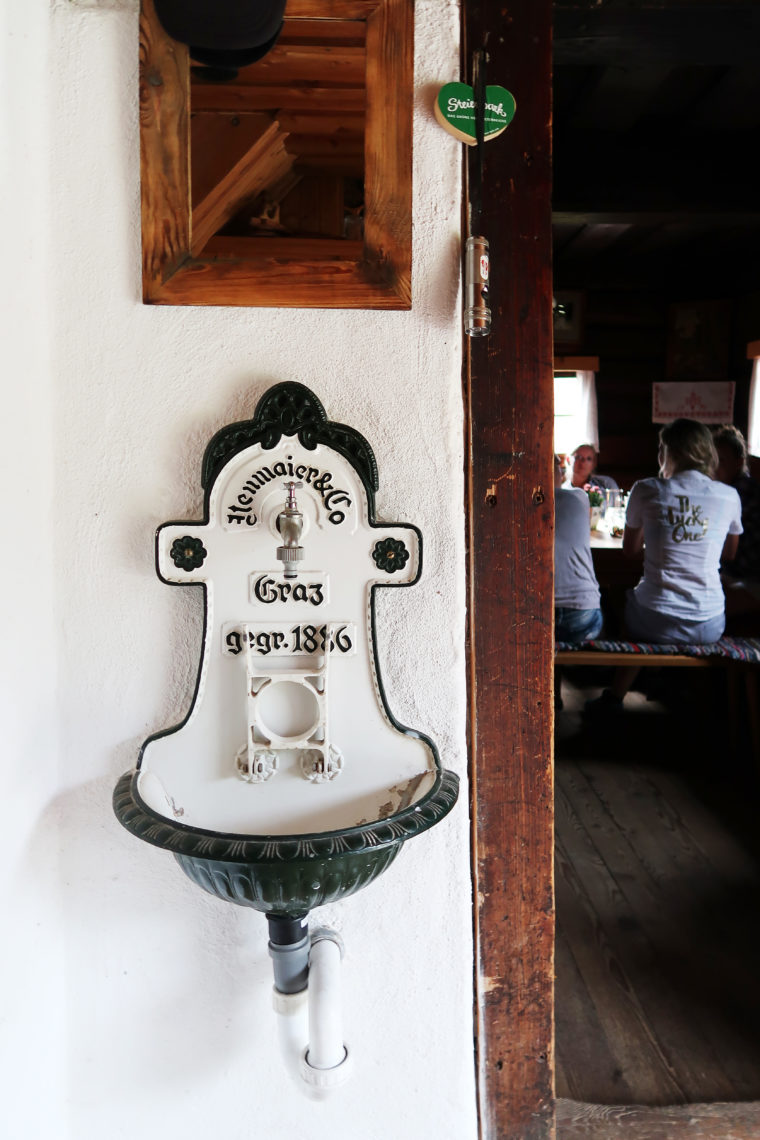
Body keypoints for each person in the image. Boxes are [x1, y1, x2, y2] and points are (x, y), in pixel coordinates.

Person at [585, 418, 742, 714]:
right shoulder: (728, 495)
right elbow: (729, 554)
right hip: (708, 623)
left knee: (630, 603)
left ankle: (616, 696)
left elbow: (630, 551)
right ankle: (664, 685)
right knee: (650, 605)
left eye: (661, 448)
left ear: (669, 453)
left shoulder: (647, 489)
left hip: (654, 620)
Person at [712, 425, 760, 623]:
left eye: (721, 460)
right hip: (736, 573)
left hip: (748, 580)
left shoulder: (740, 493)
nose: (714, 467)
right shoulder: (728, 489)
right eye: (712, 460)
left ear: (739, 462)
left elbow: (728, 553)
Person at [554, 455, 603, 644]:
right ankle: (589, 669)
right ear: (559, 473)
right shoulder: (579, 497)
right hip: (580, 617)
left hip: (533, 615)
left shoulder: (518, 503)